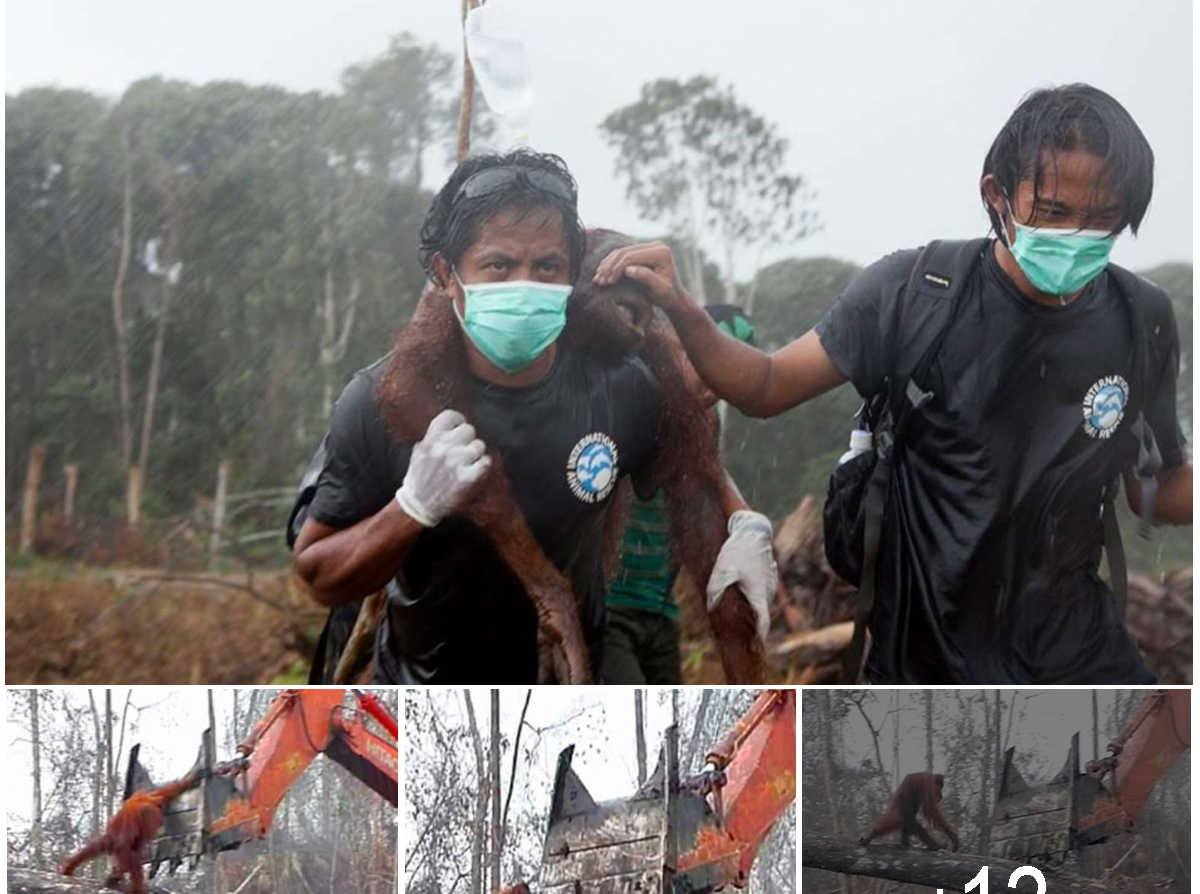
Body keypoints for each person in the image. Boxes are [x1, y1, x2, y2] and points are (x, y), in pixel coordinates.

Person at [596, 85, 1191, 684]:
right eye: (1054, 212)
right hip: (927, 660)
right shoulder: (914, 293)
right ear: (998, 195)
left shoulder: (1140, 317)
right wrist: (680, 308)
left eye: (1102, 221)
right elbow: (766, 385)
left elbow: (1150, 488)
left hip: (1077, 654)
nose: (1075, 238)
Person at [291, 150, 776, 682]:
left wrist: (742, 528)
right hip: (422, 689)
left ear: (573, 276)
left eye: (546, 267)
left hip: (566, 685)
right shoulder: (382, 397)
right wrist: (411, 508)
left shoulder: (620, 389)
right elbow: (318, 575)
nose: (524, 287)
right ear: (446, 275)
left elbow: (691, 480)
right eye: (498, 266)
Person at [601, 305, 759, 684]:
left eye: (728, 372)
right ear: (678, 351)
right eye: (703, 363)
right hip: (610, 611)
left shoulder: (706, 423)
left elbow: (707, 488)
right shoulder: (632, 395)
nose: (714, 384)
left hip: (660, 609)